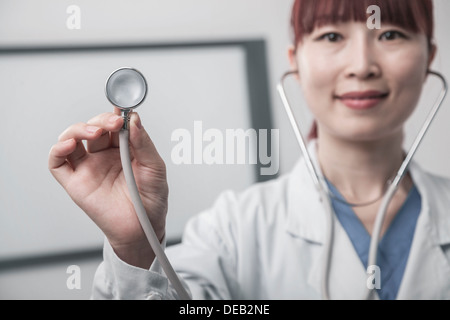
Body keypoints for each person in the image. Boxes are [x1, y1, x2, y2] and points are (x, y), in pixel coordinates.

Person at [48, 0, 450, 300]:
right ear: (296, 63)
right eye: (332, 36)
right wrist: (136, 247)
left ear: (429, 56)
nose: (362, 65)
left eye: (391, 34)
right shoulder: (232, 230)